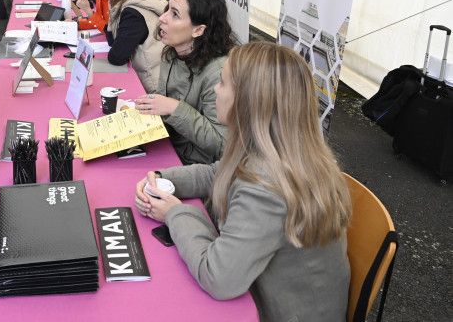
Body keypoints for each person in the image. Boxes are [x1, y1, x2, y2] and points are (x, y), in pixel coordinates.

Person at [134, 41, 352, 322]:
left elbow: (218, 277)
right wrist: (165, 179)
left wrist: (175, 212)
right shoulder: (285, 150)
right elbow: (219, 172)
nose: (215, 89)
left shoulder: (266, 185)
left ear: (249, 101)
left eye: (223, 84)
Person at [134, 0, 237, 165]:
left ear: (198, 30)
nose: (162, 18)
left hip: (194, 165)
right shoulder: (172, 52)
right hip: (168, 146)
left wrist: (174, 108)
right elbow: (163, 101)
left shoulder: (220, 73)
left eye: (174, 14)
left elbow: (223, 145)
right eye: (167, 9)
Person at [104, 0, 167, 92]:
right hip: (159, 78)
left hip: (152, 88)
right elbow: (113, 41)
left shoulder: (133, 14)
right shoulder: (143, 0)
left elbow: (117, 57)